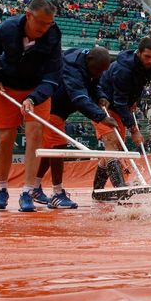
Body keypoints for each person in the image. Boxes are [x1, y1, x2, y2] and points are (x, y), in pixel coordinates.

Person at [0, 0, 63, 212]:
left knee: (35, 135)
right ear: (28, 15)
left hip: (37, 89)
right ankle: (1, 189)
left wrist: (33, 98)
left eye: (50, 24)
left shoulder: (53, 35)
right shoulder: (7, 28)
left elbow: (53, 75)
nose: (46, 28)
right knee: (5, 138)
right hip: (7, 87)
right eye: (42, 23)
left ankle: (28, 192)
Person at [31, 46, 116, 209]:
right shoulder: (71, 67)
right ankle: (57, 193)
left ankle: (35, 188)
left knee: (51, 149)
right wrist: (101, 117)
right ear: (89, 61)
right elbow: (79, 97)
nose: (99, 74)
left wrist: (101, 96)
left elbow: (93, 85)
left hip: (60, 108)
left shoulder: (91, 65)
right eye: (97, 70)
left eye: (102, 71)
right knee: (58, 146)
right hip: (49, 105)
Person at [96, 37, 151, 189]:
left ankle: (97, 189)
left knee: (114, 149)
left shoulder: (146, 68)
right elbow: (119, 101)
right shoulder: (123, 69)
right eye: (147, 57)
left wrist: (134, 101)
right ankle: (120, 188)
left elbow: (136, 89)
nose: (150, 61)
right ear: (138, 53)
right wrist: (134, 131)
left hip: (119, 107)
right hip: (102, 104)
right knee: (111, 142)